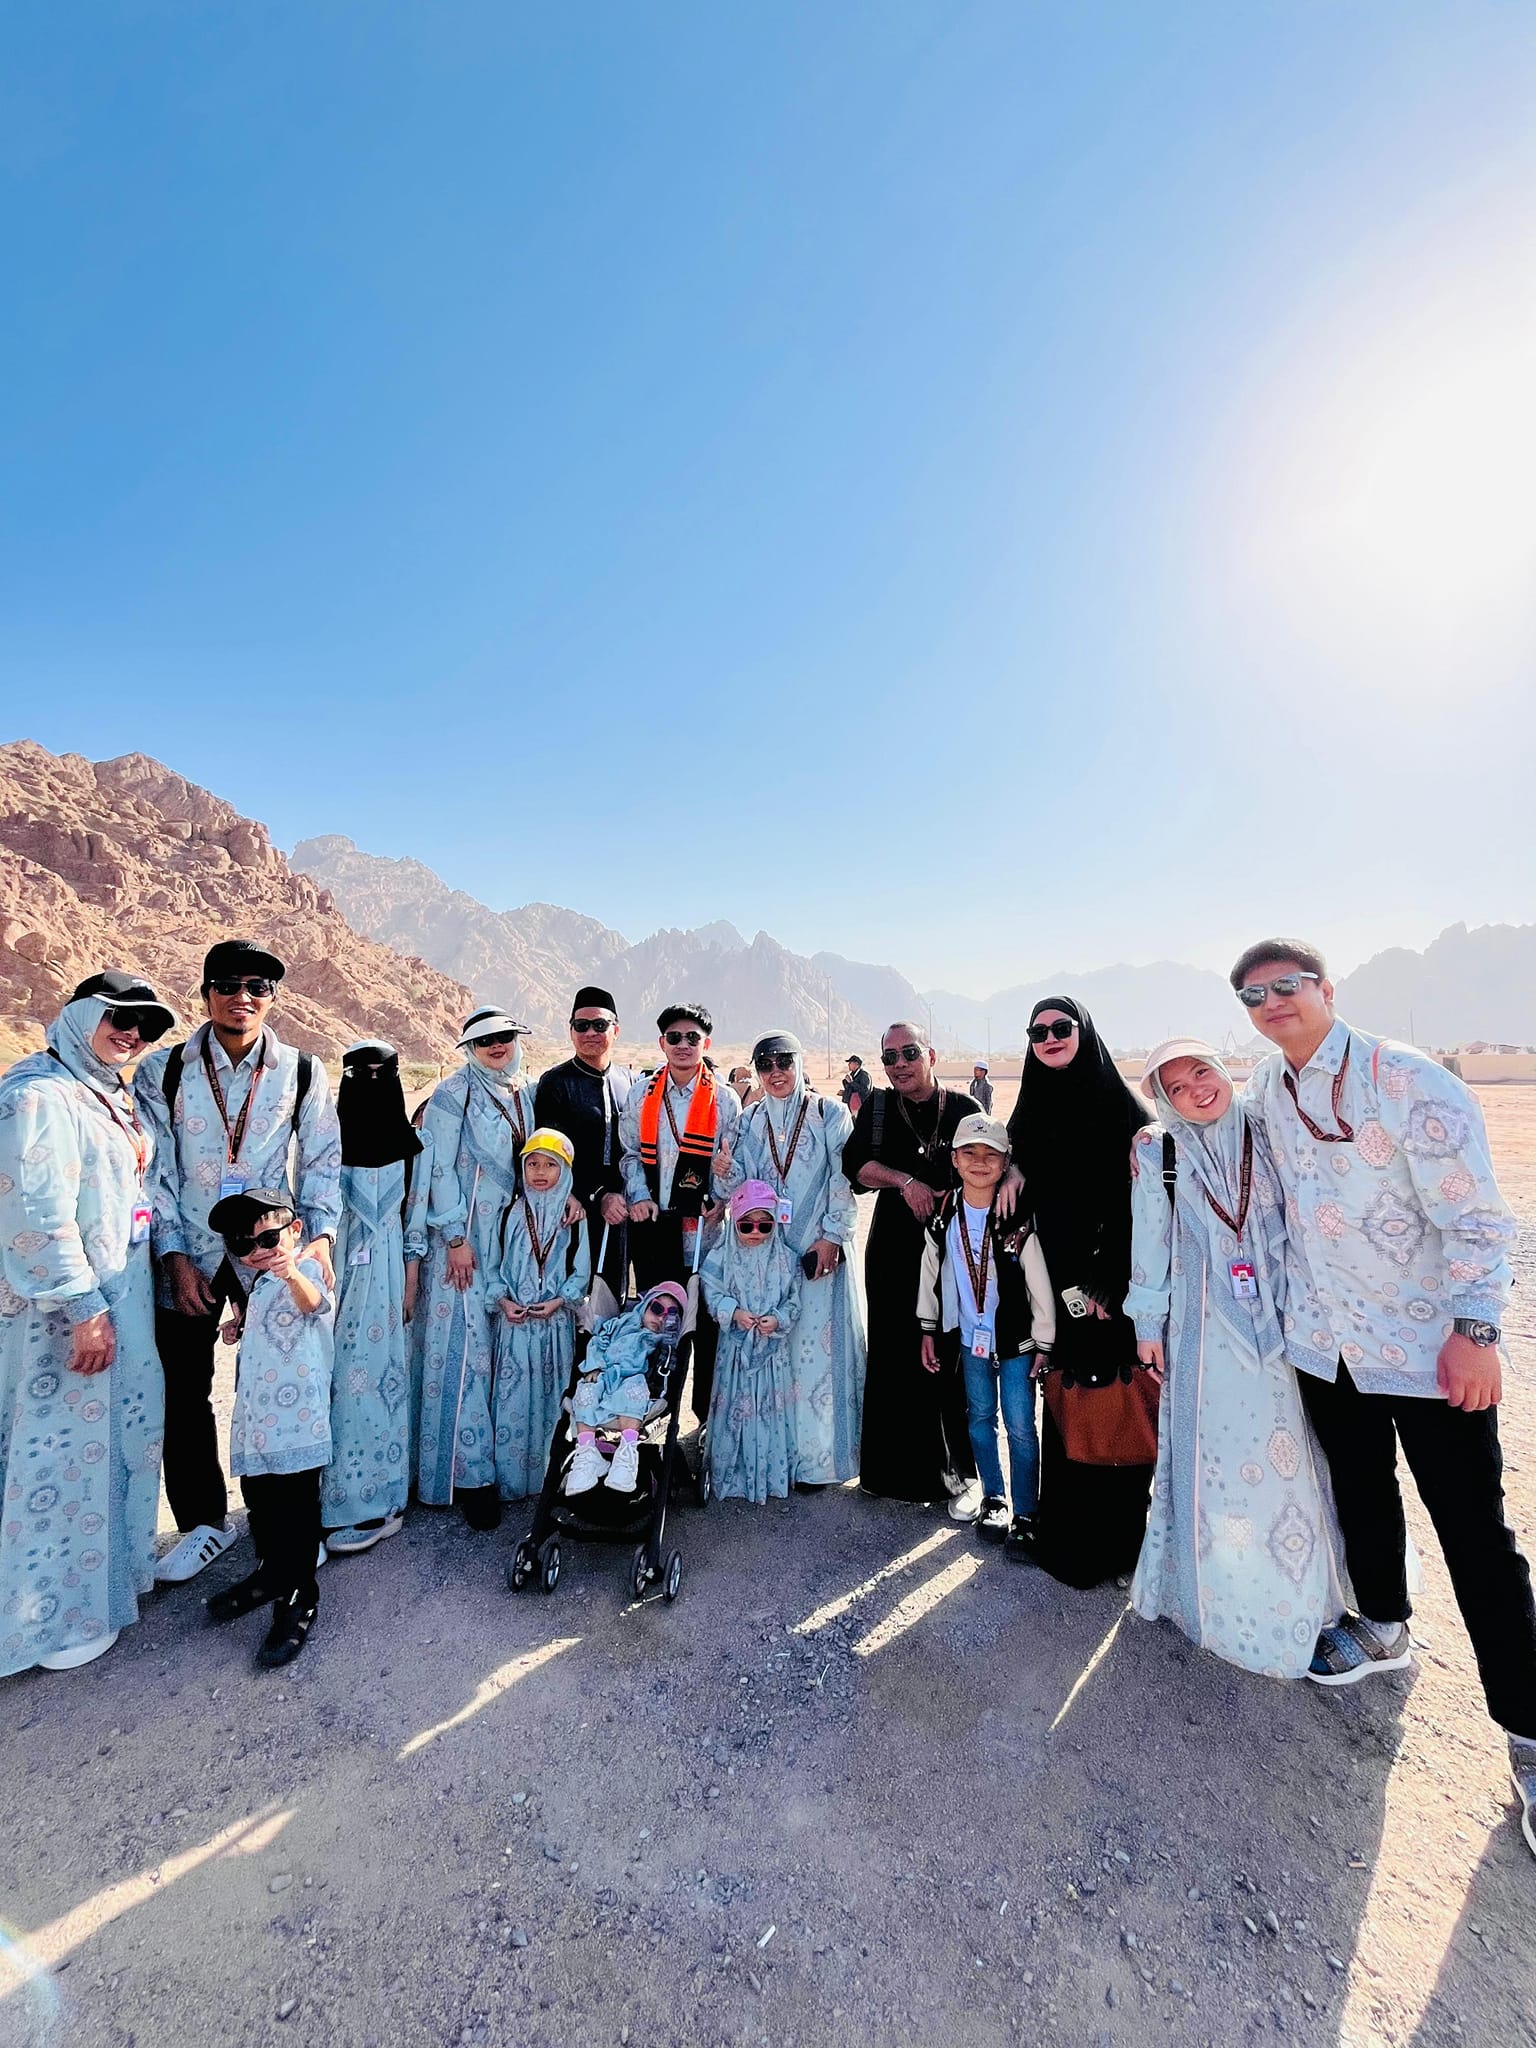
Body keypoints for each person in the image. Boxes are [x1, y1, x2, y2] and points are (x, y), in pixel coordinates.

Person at [1227, 940, 1535, 1851]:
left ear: (1327, 989)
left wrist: (1477, 1331)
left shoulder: (1408, 1081)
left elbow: (1478, 1218)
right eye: (1254, 995)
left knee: (1474, 1533)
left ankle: (1530, 1732)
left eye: (1287, 986)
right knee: (1361, 1494)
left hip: (1428, 1349)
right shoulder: (1269, 1088)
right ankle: (1386, 1626)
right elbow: (1223, 1140)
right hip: (1328, 1348)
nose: (1272, 1003)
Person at [1126, 1040, 1347, 1679]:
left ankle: (1307, 1590)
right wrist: (1148, 1325)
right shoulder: (1160, 1150)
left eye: (1203, 1071)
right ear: (1164, 1102)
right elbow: (1150, 1239)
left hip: (1284, 1320)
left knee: (1294, 1455)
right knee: (1215, 1457)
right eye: (1176, 1087)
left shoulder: (1266, 1126)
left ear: (1224, 1069)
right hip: (1202, 1336)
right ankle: (1221, 1595)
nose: (1196, 1090)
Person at [136, 940, 342, 1586]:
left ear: (272, 997)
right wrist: (173, 1252)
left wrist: (319, 1240)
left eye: (257, 986)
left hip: (268, 1251)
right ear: (205, 993)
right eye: (227, 984)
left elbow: (321, 1159)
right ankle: (203, 1523)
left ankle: (289, 1523)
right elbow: (154, 1171)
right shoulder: (164, 1071)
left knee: (283, 1385)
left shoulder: (301, 1070)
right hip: (192, 1250)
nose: (242, 997)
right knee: (184, 1389)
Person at [0, 972, 173, 1674]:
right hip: (63, 1317)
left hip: (119, 1297)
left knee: (113, 1442)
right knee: (58, 1454)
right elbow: (35, 1213)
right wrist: (82, 1308)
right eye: (119, 1017)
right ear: (79, 1017)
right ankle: (47, 1619)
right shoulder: (38, 1094)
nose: (132, 1033)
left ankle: (100, 1591)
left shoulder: (104, 1092)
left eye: (146, 1025)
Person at [1005, 997, 1156, 1588]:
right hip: (1057, 1287)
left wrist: (1110, 1280)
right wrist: (1015, 1168)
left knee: (1117, 1401)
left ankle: (1122, 1547)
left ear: (1084, 1032)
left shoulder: (1125, 1111)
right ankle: (1067, 1540)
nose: (1049, 1038)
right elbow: (1014, 1164)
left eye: (1061, 1028)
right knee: (1068, 1400)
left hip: (1110, 1290)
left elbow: (1141, 1208)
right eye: (1037, 1031)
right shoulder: (1032, 1109)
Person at [841, 1021, 986, 1511]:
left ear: (932, 1055)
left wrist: (957, 1193)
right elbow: (857, 1165)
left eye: (909, 1053)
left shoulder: (964, 1109)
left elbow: (991, 1163)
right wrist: (905, 1182)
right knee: (892, 1351)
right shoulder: (879, 1107)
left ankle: (956, 1476)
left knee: (945, 1354)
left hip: (951, 1248)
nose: (899, 1065)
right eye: (890, 1057)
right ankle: (887, 1474)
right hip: (892, 1248)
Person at [723, 1031, 865, 1486]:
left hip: (820, 1253)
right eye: (765, 1064)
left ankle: (822, 1464)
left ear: (799, 1064)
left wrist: (831, 1237)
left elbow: (844, 1180)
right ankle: (778, 1459)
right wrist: (725, 1173)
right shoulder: (748, 1121)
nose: (775, 1072)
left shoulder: (828, 1114)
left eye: (783, 1061)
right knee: (777, 1355)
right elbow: (741, 1189)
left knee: (820, 1359)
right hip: (768, 1261)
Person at [416, 1008, 538, 1529]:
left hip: (508, 1238)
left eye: (504, 1036)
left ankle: (507, 1466)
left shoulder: (524, 1091)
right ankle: (470, 1477)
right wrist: (454, 1237)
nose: (497, 1045)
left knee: (503, 1346)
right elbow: (437, 1167)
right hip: (464, 1242)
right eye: (486, 1040)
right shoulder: (452, 1094)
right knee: (466, 1353)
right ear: (470, 1047)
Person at [203, 1190, 334, 1668]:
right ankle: (270, 1573)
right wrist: (238, 1329)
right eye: (243, 1244)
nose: (257, 1251)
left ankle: (299, 1595)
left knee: (297, 1512)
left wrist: (291, 1271)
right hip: (258, 1426)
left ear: (295, 1231)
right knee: (261, 1503)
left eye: (268, 1238)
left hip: (298, 1427)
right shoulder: (258, 1286)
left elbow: (313, 1305)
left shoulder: (309, 1269)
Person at [918, 1113, 1053, 1553]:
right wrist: (928, 1328)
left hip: (1016, 1343)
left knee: (1020, 1425)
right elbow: (929, 1273)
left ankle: (1026, 1512)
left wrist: (1045, 1340)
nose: (979, 1162)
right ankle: (994, 1498)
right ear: (954, 1160)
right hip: (970, 1340)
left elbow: (1038, 1282)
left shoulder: (1015, 1215)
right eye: (969, 1153)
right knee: (979, 1418)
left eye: (990, 1154)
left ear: (1005, 1161)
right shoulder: (943, 1215)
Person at [322, 1042, 428, 1557]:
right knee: (338, 1384)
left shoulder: (412, 1147)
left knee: (384, 1381)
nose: (369, 1083)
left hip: (387, 1284)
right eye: (358, 1074)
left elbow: (415, 1219)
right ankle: (333, 1502)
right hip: (337, 1275)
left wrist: (410, 1283)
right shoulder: (326, 1140)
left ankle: (381, 1498)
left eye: (379, 1074)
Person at [619, 1003, 741, 1427]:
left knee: (705, 1326)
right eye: (675, 1037)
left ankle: (705, 1419)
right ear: (662, 1043)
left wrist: (721, 1196)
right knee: (657, 1322)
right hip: (655, 1228)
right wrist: (638, 1195)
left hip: (704, 1234)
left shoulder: (725, 1099)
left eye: (693, 1038)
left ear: (706, 1044)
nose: (684, 1045)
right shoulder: (641, 1094)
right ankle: (650, 1415)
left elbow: (731, 1162)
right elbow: (630, 1155)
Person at [492, 1127, 591, 1500]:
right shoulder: (511, 1213)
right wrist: (503, 1301)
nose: (539, 1172)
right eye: (532, 1163)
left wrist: (561, 1300)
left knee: (552, 1400)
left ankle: (551, 1481)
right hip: (515, 1325)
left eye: (550, 1165)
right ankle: (512, 1480)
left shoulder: (573, 1216)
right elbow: (494, 1263)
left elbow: (581, 1271)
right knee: (513, 1399)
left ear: (564, 1170)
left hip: (554, 1324)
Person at [702, 1181, 803, 1502]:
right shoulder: (722, 1256)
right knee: (735, 1411)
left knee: (769, 1413)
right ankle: (732, 1473)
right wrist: (733, 1312)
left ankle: (769, 1476)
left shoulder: (786, 1259)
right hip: (734, 1355)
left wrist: (778, 1319)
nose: (756, 1232)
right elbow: (711, 1290)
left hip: (772, 1357)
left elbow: (793, 1301)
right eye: (746, 1225)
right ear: (734, 1222)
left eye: (764, 1224)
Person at [533, 987, 633, 1294]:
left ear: (615, 1030)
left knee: (613, 1294)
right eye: (582, 1025)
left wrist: (620, 1196)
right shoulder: (555, 1083)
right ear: (571, 1031)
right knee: (576, 1297)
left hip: (623, 1208)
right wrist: (597, 1196)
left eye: (599, 1025)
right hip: (573, 1207)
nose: (590, 1033)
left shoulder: (629, 1082)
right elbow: (550, 1155)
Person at [566, 1281, 689, 1495]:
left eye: (670, 1315)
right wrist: (594, 1365)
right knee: (585, 1390)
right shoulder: (620, 1323)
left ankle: (626, 1453)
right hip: (604, 1374)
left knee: (633, 1388)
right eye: (656, 1308)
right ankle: (587, 1453)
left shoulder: (661, 1340)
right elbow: (598, 1341)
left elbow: (666, 1361)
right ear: (645, 1305)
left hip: (634, 1378)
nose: (660, 1317)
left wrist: (669, 1336)